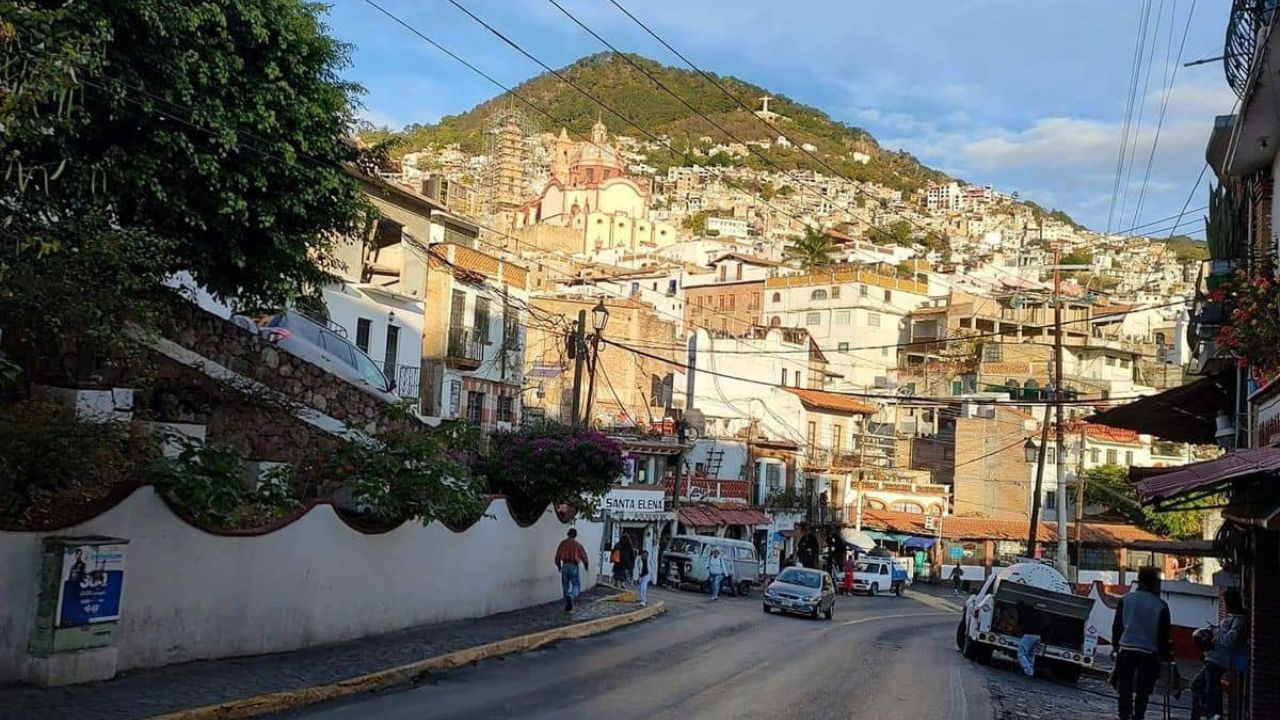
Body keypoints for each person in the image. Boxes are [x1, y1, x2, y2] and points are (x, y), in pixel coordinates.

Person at [1112, 567, 1172, 720]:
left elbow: (1117, 626)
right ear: (1154, 583)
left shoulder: (1126, 599)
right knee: (1143, 690)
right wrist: (1165, 657)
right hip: (1149, 652)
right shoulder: (1161, 605)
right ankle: (1139, 716)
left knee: (1124, 685)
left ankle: (1124, 714)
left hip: (1127, 648)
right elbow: (1164, 635)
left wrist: (1115, 647)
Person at [1192, 587, 1248, 720]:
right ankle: (1204, 713)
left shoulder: (1239, 621)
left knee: (1212, 690)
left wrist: (1218, 632)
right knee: (1198, 685)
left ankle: (1212, 714)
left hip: (1218, 660)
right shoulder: (1232, 619)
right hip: (1213, 657)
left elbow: (1230, 641)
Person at [554, 528, 589, 612]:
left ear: (568, 534)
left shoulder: (563, 544)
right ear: (575, 535)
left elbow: (557, 556)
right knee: (576, 585)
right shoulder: (577, 545)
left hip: (565, 565)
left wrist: (558, 565)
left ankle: (567, 602)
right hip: (574, 565)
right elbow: (584, 556)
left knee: (565, 585)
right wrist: (586, 565)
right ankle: (571, 595)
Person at [1016, 600, 1051, 677]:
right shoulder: (1038, 614)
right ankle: (1031, 671)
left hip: (1029, 635)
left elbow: (1020, 622)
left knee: (1021, 653)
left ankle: (1027, 669)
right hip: (1037, 636)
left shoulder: (1026, 614)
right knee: (1031, 654)